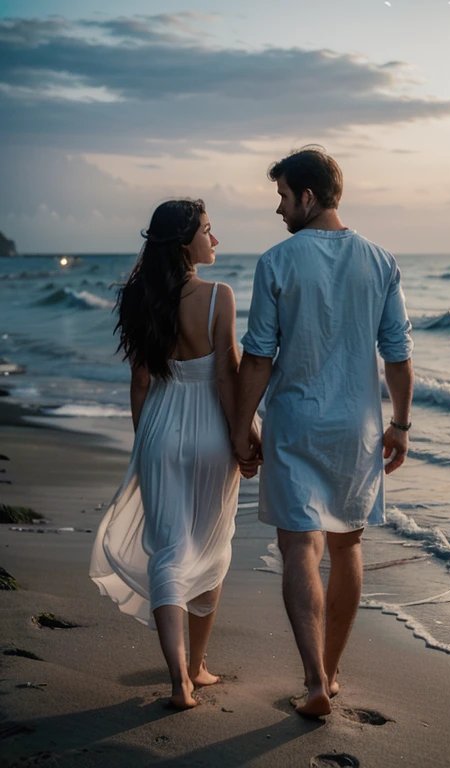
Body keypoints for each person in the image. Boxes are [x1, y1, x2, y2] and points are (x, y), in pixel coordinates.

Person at [233, 148, 414, 718]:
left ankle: (312, 679)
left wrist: (243, 426)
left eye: (283, 196)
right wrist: (401, 425)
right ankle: (331, 674)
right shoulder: (381, 261)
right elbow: (399, 358)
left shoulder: (277, 262)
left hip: (295, 423)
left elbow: (257, 357)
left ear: (307, 196)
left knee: (298, 547)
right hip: (356, 430)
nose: (279, 208)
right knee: (347, 544)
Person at [90, 199, 255, 710]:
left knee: (169, 551)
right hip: (210, 432)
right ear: (186, 243)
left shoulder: (142, 299)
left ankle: (179, 679)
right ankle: (199, 666)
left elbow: (140, 382)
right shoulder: (218, 296)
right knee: (212, 545)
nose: (215, 239)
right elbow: (228, 375)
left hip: (161, 431)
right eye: (208, 231)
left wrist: (144, 445)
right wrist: (242, 435)